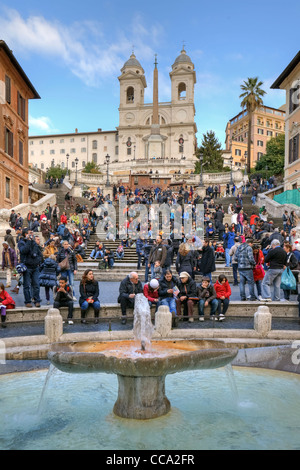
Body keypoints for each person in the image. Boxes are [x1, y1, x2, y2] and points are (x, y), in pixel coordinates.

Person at [18, 231, 43, 308]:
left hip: (35, 267)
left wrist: (38, 260)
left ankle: (37, 300)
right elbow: (23, 251)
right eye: (29, 233)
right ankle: (28, 301)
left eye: (32, 233)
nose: (31, 235)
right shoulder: (21, 242)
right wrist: (28, 241)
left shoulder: (34, 243)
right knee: (26, 285)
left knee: (36, 285)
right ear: (25, 234)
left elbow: (39, 254)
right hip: (27, 267)